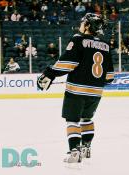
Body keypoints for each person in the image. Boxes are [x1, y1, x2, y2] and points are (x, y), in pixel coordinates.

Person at [37, 13, 114, 163]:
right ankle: (86, 149)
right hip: (96, 92)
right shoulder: (105, 45)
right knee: (87, 118)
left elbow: (67, 63)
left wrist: (49, 73)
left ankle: (74, 152)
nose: (80, 24)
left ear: (88, 25)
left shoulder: (78, 40)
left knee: (72, 120)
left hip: (76, 90)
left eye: (83, 22)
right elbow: (109, 77)